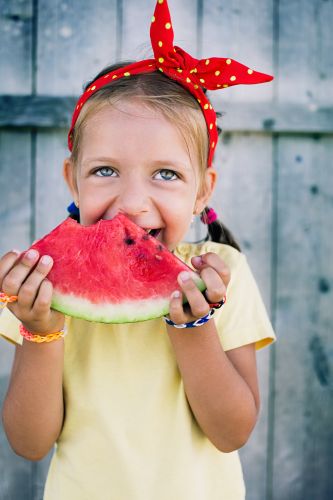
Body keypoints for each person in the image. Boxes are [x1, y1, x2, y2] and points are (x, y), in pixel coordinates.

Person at [0, 1, 275, 499]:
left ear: (202, 191)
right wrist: (41, 332)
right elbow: (29, 442)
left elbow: (231, 431)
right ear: (73, 180)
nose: (130, 202)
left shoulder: (226, 274)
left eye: (166, 174)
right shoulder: (44, 287)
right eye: (105, 170)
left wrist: (194, 326)